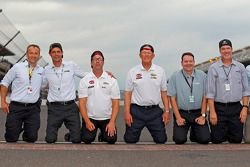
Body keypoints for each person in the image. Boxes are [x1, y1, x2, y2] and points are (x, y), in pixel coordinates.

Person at [124, 44, 170, 144]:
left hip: (154, 111)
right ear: (140, 55)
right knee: (130, 140)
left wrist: (166, 111)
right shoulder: (132, 71)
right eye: (144, 53)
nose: (146, 55)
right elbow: (128, 93)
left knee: (161, 140)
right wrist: (127, 112)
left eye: (149, 53)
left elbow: (163, 92)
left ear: (153, 55)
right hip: (136, 111)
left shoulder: (160, 71)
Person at [207, 39, 250, 143]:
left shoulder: (240, 67)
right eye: (223, 49)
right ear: (220, 51)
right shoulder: (213, 68)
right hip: (219, 108)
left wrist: (245, 108)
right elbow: (210, 92)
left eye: (228, 48)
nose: (226, 51)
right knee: (217, 140)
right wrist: (212, 112)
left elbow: (245, 90)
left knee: (236, 140)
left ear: (232, 49)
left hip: (236, 108)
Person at [43, 43, 86, 143]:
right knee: (50, 139)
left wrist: (103, 73)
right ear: (50, 54)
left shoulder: (71, 65)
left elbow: (84, 75)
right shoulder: (46, 70)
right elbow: (40, 84)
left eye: (58, 52)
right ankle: (52, 135)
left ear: (62, 53)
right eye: (53, 52)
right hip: (54, 108)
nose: (56, 54)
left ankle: (71, 135)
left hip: (70, 107)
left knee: (77, 140)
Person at [1, 44, 43, 142]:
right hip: (16, 107)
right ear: (26, 54)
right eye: (31, 53)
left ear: (39, 55)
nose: (33, 55)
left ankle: (27, 131)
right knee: (11, 138)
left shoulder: (42, 70)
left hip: (33, 108)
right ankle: (16, 128)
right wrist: (3, 101)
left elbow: (46, 84)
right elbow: (5, 82)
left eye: (36, 53)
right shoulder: (17, 67)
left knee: (31, 138)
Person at [167, 52, 210, 144]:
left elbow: (205, 97)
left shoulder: (202, 75)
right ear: (181, 63)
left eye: (190, 61)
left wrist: (203, 116)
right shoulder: (174, 77)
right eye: (186, 61)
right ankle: (191, 128)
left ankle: (194, 133)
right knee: (179, 140)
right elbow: (172, 99)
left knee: (204, 139)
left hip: (198, 112)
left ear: (194, 62)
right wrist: (178, 117)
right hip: (182, 113)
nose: (188, 63)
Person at [78, 51, 120, 144]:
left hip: (107, 118)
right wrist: (87, 122)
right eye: (95, 59)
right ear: (91, 63)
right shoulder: (85, 80)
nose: (97, 61)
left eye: (100, 59)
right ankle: (76, 134)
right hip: (91, 118)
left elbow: (116, 103)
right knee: (87, 139)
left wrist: (112, 122)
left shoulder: (112, 80)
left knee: (111, 139)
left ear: (103, 62)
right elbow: (82, 104)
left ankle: (103, 134)